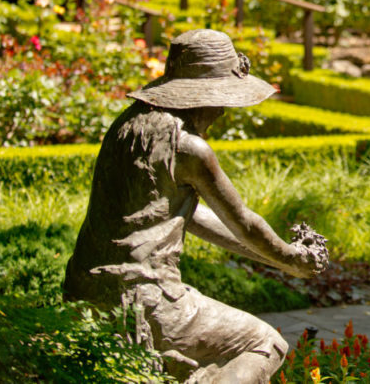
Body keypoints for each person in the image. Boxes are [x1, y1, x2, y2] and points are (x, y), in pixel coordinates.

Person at [64, 29, 328, 383]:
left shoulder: (128, 126)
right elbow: (245, 222)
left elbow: (188, 216)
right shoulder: (189, 148)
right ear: (210, 96)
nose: (222, 110)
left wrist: (276, 258)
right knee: (264, 343)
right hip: (144, 300)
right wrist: (293, 259)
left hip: (84, 288)